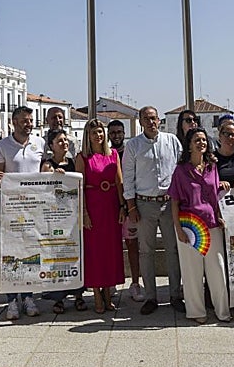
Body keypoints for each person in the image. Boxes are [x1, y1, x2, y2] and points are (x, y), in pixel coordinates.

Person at [122, 106, 184, 315]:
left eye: (154, 118)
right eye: (146, 119)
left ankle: (176, 295)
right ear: (140, 122)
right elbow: (127, 178)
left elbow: (182, 170)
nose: (151, 122)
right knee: (146, 252)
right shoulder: (133, 146)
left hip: (169, 204)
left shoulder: (172, 141)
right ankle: (150, 297)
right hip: (144, 205)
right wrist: (131, 206)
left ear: (159, 120)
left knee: (173, 250)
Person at [169, 127, 231, 324]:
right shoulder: (180, 171)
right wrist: (178, 229)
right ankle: (196, 312)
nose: (201, 143)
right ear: (189, 144)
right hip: (190, 225)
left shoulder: (212, 167)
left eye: (204, 140)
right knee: (192, 271)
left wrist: (220, 216)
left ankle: (222, 311)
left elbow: (214, 196)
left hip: (211, 223)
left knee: (217, 269)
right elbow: (174, 202)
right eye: (197, 140)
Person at [0, 105, 46, 319]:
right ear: (14, 122)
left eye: (31, 120)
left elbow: (45, 171)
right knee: (11, 255)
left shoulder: (40, 143)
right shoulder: (2, 145)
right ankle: (11, 300)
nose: (29, 124)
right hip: (11, 210)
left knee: (31, 253)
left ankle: (28, 296)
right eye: (24, 120)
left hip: (34, 209)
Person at [75, 120, 125, 314]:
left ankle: (107, 292)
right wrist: (84, 213)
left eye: (101, 132)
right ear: (88, 136)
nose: (99, 135)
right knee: (95, 253)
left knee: (110, 252)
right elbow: (80, 188)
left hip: (111, 206)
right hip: (94, 208)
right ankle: (96, 293)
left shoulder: (113, 155)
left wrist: (123, 207)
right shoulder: (82, 157)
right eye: (94, 132)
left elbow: (119, 182)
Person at [41, 127, 87, 314]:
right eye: (60, 141)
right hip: (55, 218)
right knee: (57, 259)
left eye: (66, 140)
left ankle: (78, 295)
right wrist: (53, 177)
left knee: (75, 256)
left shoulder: (74, 162)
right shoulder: (47, 165)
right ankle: (58, 299)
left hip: (73, 217)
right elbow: (43, 190)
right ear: (51, 145)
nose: (64, 143)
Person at [109, 118, 144, 302]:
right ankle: (111, 281)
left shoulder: (131, 151)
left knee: (133, 245)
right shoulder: (106, 154)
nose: (116, 135)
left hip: (129, 205)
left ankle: (136, 283)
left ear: (124, 134)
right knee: (111, 245)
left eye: (119, 132)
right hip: (110, 206)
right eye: (113, 132)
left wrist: (129, 205)